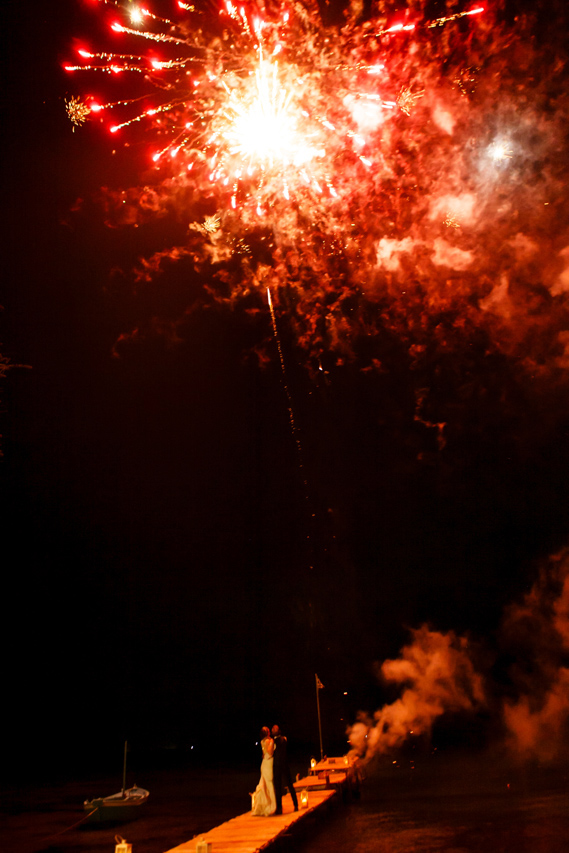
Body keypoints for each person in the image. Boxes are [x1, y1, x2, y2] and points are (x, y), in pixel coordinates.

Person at [271, 725, 298, 814]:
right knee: (278, 787)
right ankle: (279, 808)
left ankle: (296, 804)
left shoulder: (282, 739)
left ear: (279, 731)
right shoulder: (273, 741)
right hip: (277, 765)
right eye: (273, 729)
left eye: (275, 729)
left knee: (289, 784)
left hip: (283, 765)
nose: (273, 729)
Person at [251, 727, 276, 816]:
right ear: (267, 733)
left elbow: (263, 753)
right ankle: (272, 806)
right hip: (268, 762)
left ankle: (264, 805)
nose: (269, 731)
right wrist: (272, 742)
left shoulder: (262, 741)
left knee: (264, 784)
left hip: (265, 762)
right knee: (269, 784)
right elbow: (270, 753)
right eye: (268, 730)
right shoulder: (268, 741)